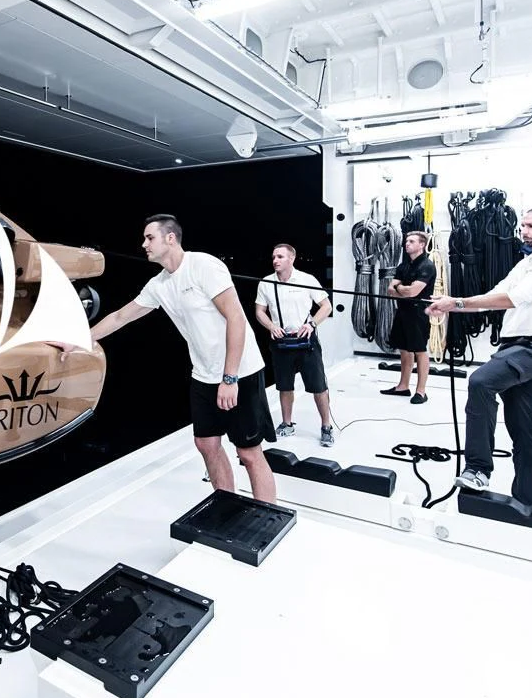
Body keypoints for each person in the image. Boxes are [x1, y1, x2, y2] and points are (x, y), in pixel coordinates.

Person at [58, 215, 278, 503]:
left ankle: (268, 512)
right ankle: (227, 506)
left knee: (248, 452)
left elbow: (236, 317)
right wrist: (80, 340)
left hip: (240, 371)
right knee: (206, 443)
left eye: (150, 238)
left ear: (170, 238)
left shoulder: (204, 266)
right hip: (203, 374)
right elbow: (121, 316)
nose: (143, 244)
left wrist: (230, 377)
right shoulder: (159, 284)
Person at [426, 206, 532, 506]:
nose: (524, 231)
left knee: (481, 382)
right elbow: (493, 298)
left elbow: (514, 298)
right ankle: (526, 501)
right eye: (523, 225)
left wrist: (456, 301)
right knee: (525, 429)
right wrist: (450, 306)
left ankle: (478, 469)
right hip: (514, 347)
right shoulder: (526, 264)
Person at [254, 244, 335, 446]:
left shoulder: (307, 280)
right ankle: (287, 424)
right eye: (273, 257)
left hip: (306, 341)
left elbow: (326, 306)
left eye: (280, 256)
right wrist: (271, 326)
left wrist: (312, 324)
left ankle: (326, 427)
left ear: (292, 258)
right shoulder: (266, 283)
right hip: (281, 342)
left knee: (319, 386)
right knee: (284, 386)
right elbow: (259, 311)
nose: (275, 260)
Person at [383, 231, 437, 404]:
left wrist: (401, 288)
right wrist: (403, 290)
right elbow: (390, 289)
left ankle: (421, 392)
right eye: (406, 241)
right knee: (404, 350)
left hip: (418, 314)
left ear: (422, 245)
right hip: (403, 311)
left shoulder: (427, 266)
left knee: (420, 351)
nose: (407, 244)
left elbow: (413, 292)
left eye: (411, 241)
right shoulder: (403, 266)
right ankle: (403, 387)